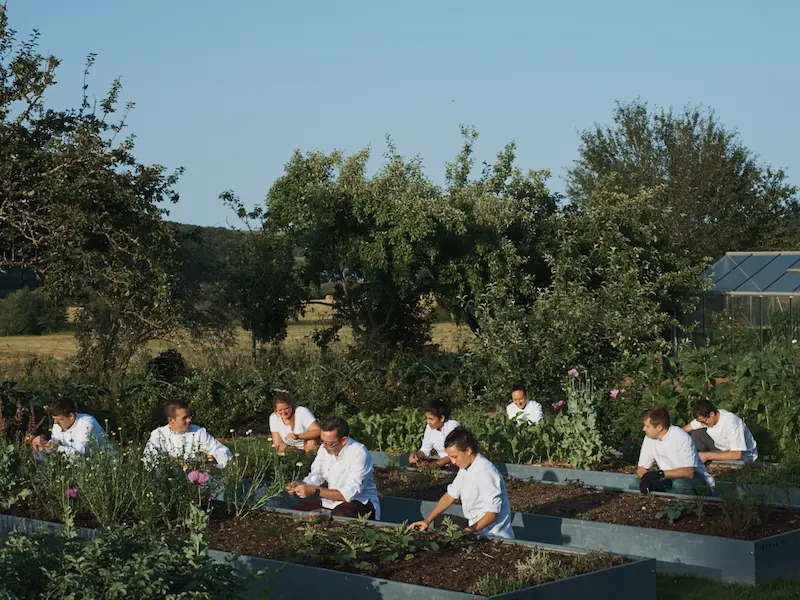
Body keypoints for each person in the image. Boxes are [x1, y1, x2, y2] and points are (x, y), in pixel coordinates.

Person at [409, 427, 514, 539]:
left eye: (455, 457)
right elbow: (449, 496)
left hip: (495, 536)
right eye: (450, 457)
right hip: (476, 532)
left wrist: (466, 531)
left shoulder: (486, 473)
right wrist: (427, 521)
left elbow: (492, 514)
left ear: (468, 451)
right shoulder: (465, 468)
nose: (453, 461)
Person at [286, 416, 380, 519]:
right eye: (323, 441)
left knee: (339, 516)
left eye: (330, 443)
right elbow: (316, 475)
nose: (324, 446)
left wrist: (315, 490)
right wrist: (301, 485)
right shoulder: (324, 449)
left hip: (361, 502)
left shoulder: (359, 453)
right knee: (293, 513)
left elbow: (348, 494)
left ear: (344, 440)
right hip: (331, 503)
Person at [631, 407, 715, 496]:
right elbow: (642, 468)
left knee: (680, 484)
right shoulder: (649, 437)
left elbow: (689, 472)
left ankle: (688, 503)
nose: (644, 429)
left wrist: (660, 474)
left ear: (659, 427)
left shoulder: (681, 438)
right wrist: (645, 480)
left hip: (697, 480)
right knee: (635, 484)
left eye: (647, 426)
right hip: (669, 478)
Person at [143, 399, 232, 468]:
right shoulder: (158, 435)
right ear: (171, 420)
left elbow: (223, 451)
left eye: (189, 416)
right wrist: (176, 464)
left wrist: (210, 459)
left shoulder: (198, 432)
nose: (189, 420)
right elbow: (149, 460)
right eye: (184, 418)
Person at [682, 398, 758, 463]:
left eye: (704, 422)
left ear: (711, 414)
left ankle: (706, 459)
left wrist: (707, 456)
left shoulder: (732, 423)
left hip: (743, 456)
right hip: (721, 449)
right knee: (696, 433)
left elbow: (737, 454)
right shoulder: (706, 418)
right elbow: (685, 429)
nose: (702, 424)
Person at [30, 396, 107, 458]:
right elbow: (55, 447)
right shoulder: (58, 425)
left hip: (103, 463)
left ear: (71, 416)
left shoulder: (87, 424)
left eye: (59, 419)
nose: (55, 422)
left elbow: (80, 454)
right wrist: (40, 444)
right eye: (54, 419)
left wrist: (49, 445)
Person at [408, 395, 460, 468]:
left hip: (455, 462)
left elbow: (454, 454)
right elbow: (425, 450)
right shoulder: (429, 427)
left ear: (441, 418)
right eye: (427, 418)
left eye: (431, 419)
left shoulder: (452, 427)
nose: (428, 421)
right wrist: (416, 455)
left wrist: (434, 465)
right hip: (441, 461)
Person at [269, 389, 320, 454]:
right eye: (280, 410)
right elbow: (277, 442)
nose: (284, 412)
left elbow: (318, 431)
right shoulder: (273, 418)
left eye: (286, 409)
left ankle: (310, 457)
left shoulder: (302, 412)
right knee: (280, 450)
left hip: (307, 443)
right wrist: (289, 449)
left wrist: (298, 436)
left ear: (291, 406)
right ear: (275, 410)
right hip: (291, 447)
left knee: (312, 442)